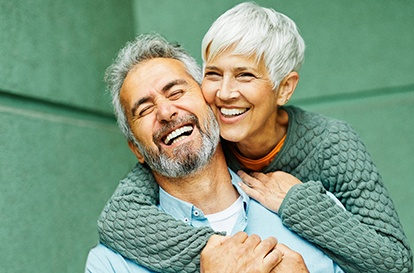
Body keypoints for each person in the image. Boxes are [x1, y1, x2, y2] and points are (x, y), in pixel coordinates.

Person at [97, 2, 413, 273]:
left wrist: (299, 203)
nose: (224, 93)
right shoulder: (187, 146)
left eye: (245, 75)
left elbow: (393, 262)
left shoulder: (330, 148)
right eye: (214, 74)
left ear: (285, 88)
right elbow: (117, 220)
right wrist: (225, 257)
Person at [86, 33, 344, 273]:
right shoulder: (109, 264)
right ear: (136, 149)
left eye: (176, 92)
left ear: (211, 104)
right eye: (144, 110)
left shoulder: (317, 212)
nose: (165, 113)